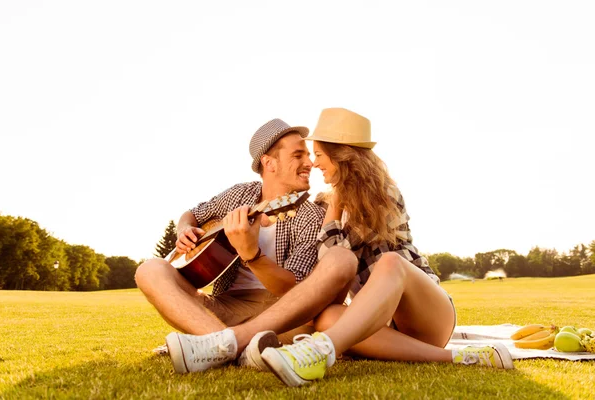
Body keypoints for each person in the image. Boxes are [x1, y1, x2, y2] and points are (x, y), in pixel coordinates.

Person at [161, 108, 513, 381]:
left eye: (318, 154)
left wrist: (330, 212)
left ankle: (319, 352)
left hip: (424, 314)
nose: (313, 163)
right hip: (379, 325)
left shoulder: (381, 195)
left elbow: (342, 261)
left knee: (389, 264)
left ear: (341, 155)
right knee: (328, 317)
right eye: (305, 155)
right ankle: (460, 357)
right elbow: (330, 281)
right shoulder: (321, 200)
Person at [134, 118, 326, 371]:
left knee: (320, 320)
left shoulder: (311, 215)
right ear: (269, 163)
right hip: (224, 306)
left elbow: (292, 288)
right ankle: (231, 345)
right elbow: (192, 214)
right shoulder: (239, 194)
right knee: (149, 270)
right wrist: (184, 230)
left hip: (281, 313)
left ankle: (211, 342)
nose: (310, 163)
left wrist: (251, 254)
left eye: (309, 156)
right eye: (298, 155)